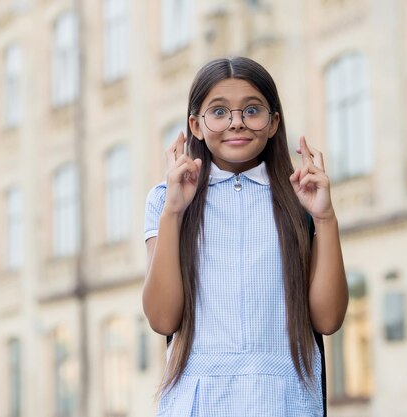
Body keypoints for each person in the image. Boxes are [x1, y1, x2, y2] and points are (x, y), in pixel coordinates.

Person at [142, 56, 348, 417]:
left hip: (284, 401)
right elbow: (162, 318)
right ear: (196, 125)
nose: (236, 123)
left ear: (273, 123)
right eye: (219, 112)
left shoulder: (301, 198)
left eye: (252, 110)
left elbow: (328, 319)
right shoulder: (166, 198)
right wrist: (173, 211)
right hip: (197, 402)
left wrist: (325, 218)